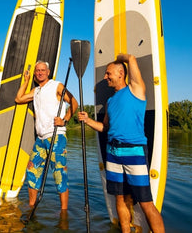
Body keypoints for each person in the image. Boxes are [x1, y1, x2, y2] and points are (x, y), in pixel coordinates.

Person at [77, 53, 165, 233]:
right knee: (119, 199)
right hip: (113, 153)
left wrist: (119, 56)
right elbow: (106, 127)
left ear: (120, 73)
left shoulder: (136, 89)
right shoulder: (110, 101)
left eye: (108, 73)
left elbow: (131, 59)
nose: (105, 77)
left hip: (134, 152)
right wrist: (87, 120)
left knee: (146, 203)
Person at [15, 61, 78, 210]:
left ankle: (63, 211)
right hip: (41, 138)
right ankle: (32, 206)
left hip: (56, 136)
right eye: (37, 71)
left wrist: (65, 120)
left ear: (48, 72)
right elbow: (19, 99)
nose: (40, 73)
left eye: (42, 70)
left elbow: (73, 102)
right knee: (32, 171)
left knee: (59, 173)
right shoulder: (36, 91)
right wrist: (26, 81)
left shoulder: (56, 85)